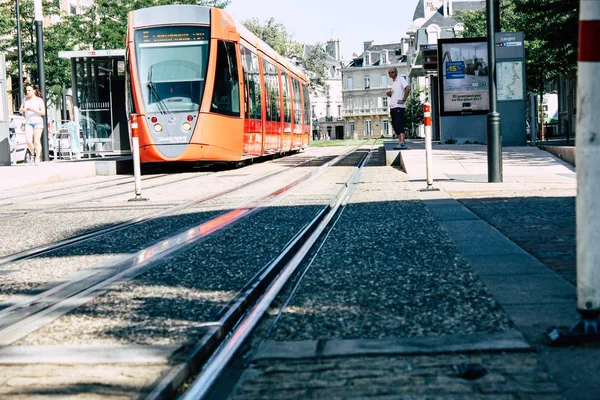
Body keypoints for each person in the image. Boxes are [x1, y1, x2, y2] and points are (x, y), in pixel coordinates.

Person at [19, 85, 46, 165]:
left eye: (29, 90)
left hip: (38, 121)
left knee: (36, 141)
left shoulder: (39, 100)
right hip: (28, 122)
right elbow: (20, 110)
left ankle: (37, 158)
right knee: (28, 141)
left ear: (34, 91)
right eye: (27, 90)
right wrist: (22, 110)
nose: (27, 92)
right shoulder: (25, 100)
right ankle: (33, 154)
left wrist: (32, 109)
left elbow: (43, 112)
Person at [386, 67, 410, 149]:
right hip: (393, 106)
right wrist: (390, 93)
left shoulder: (401, 79)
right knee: (395, 125)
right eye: (389, 73)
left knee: (399, 124)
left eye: (392, 72)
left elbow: (408, 88)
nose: (390, 74)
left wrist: (403, 99)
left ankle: (402, 142)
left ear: (396, 72)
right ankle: (400, 142)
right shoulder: (394, 82)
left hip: (399, 106)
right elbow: (395, 93)